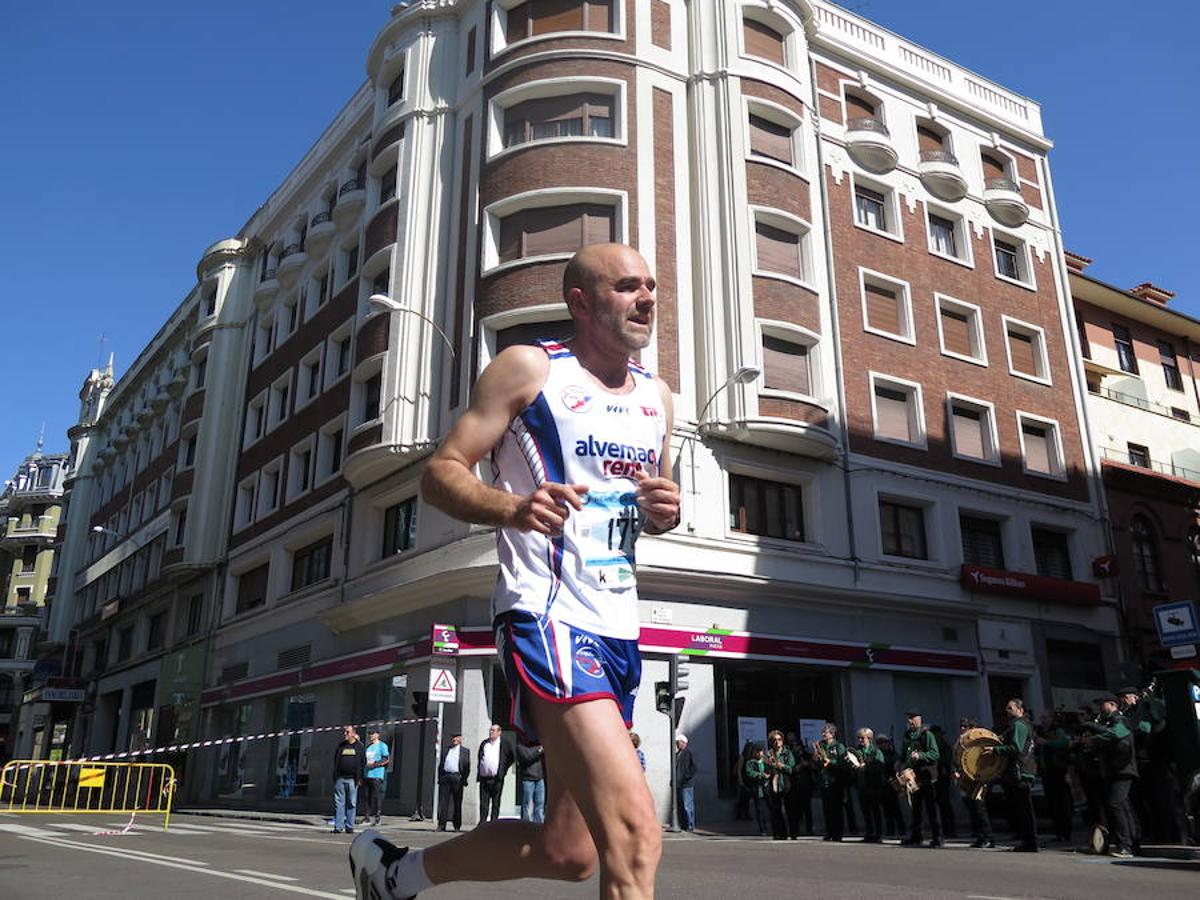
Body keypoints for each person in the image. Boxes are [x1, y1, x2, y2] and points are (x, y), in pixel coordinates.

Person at [350, 243, 679, 900]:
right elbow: (440, 473)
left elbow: (651, 506)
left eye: (650, 286)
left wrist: (666, 508)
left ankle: (393, 874)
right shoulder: (529, 370)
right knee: (638, 837)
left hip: (618, 625)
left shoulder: (657, 397)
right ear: (581, 303)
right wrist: (514, 506)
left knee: (569, 853)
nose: (646, 298)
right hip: (548, 617)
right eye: (627, 287)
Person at [1083, 693, 1138, 858]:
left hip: (1123, 770)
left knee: (1115, 805)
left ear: (1113, 705)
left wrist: (1093, 737)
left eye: (1103, 704)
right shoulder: (1109, 722)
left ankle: (1125, 846)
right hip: (1115, 771)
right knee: (1123, 807)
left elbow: (1114, 734)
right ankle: (1132, 844)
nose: (1100, 707)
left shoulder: (1120, 720)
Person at [986, 698, 1038, 852]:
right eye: (1006, 708)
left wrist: (995, 750)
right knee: (1022, 810)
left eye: (1010, 708)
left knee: (1025, 810)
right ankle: (1028, 841)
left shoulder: (1019, 725)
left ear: (1020, 710)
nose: (1006, 710)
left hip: (1020, 772)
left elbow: (1016, 748)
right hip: (1019, 772)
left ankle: (1031, 842)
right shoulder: (1017, 725)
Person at [899, 710, 941, 848]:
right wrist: (900, 763)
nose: (910, 721)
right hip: (913, 776)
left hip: (926, 776)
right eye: (908, 719)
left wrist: (921, 755)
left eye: (912, 718)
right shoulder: (907, 736)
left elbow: (935, 754)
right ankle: (916, 836)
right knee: (915, 808)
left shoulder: (927, 734)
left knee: (931, 808)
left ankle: (937, 837)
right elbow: (904, 754)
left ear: (919, 719)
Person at [956, 718, 994, 849]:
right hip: (967, 780)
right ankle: (979, 836)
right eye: (961, 726)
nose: (962, 729)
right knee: (972, 809)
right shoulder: (961, 743)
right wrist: (957, 771)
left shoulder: (978, 741)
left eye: (965, 726)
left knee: (980, 809)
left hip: (979, 779)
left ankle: (988, 837)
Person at [1035, 710, 1072, 842]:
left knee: (1061, 802)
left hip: (1057, 770)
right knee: (1052, 803)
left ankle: (1065, 832)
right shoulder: (1040, 731)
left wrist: (1046, 743)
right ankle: (1058, 831)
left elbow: (1063, 743)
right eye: (1041, 718)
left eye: (1045, 717)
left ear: (1051, 718)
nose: (1042, 720)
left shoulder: (1058, 731)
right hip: (1046, 772)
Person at [814, 723, 848, 841]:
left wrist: (830, 761)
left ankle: (838, 833)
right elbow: (816, 764)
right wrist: (817, 759)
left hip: (836, 781)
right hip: (824, 780)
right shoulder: (821, 745)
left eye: (826, 732)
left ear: (832, 734)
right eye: (823, 732)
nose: (823, 734)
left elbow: (843, 763)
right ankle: (830, 831)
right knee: (827, 808)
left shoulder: (839, 746)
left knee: (836, 808)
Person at [477, 723, 515, 823]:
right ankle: (482, 824)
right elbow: (480, 757)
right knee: (483, 803)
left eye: (494, 730)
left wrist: (503, 770)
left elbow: (511, 758)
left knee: (495, 802)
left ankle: (494, 823)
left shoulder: (505, 744)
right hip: (484, 778)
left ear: (499, 732)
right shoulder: (484, 743)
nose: (491, 732)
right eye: (490, 730)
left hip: (497, 779)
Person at [853, 728, 886, 843]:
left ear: (869, 739)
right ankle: (869, 832)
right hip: (862, 785)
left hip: (874, 785)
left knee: (875, 810)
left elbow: (880, 767)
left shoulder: (876, 751)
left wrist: (865, 767)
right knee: (865, 811)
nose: (860, 740)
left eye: (863, 738)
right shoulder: (857, 751)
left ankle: (878, 833)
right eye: (859, 738)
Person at [333, 725, 366, 834]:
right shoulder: (341, 746)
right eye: (345, 732)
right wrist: (335, 776)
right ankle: (338, 827)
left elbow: (363, 763)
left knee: (351, 803)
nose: (345, 734)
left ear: (353, 733)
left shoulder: (359, 746)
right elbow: (336, 760)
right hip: (340, 779)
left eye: (347, 732)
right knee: (339, 803)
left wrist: (360, 778)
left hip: (353, 779)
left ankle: (349, 826)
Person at [762, 729, 795, 840]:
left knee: (789, 810)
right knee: (775, 810)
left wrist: (782, 766)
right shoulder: (770, 753)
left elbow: (792, 768)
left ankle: (792, 833)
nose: (777, 742)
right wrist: (768, 768)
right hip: (774, 784)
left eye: (779, 739)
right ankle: (778, 833)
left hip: (785, 783)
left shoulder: (787, 752)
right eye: (774, 740)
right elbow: (766, 770)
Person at [437, 733, 470, 832]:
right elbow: (441, 764)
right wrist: (440, 777)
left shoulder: (465, 751)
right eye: (453, 738)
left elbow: (467, 767)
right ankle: (442, 825)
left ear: (460, 739)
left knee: (457, 803)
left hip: (457, 778)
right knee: (443, 803)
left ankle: (457, 826)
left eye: (456, 738)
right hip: (446, 777)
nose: (454, 739)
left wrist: (464, 779)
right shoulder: (446, 750)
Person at [929, 725, 957, 839]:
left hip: (943, 777)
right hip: (934, 777)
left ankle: (950, 829)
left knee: (945, 804)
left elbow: (946, 760)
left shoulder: (945, 746)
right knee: (938, 805)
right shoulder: (932, 746)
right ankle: (942, 829)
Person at [877, 734, 904, 837]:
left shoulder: (892, 753)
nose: (881, 745)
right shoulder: (879, 753)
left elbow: (895, 764)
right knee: (886, 809)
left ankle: (901, 828)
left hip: (892, 783)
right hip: (883, 784)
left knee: (895, 808)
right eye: (879, 743)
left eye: (883, 742)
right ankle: (890, 829)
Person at [787, 734, 814, 837]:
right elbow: (791, 768)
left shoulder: (806, 754)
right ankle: (796, 829)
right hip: (795, 784)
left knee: (807, 808)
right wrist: (798, 767)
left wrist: (807, 764)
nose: (795, 748)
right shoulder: (791, 756)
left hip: (806, 785)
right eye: (793, 746)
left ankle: (809, 828)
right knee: (796, 809)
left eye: (797, 745)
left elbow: (812, 766)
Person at [363, 727, 391, 828]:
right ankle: (367, 816)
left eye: (373, 733)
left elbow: (386, 759)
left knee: (376, 796)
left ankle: (377, 816)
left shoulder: (382, 746)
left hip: (377, 774)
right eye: (370, 733)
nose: (371, 735)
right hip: (367, 775)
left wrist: (375, 764)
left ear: (377, 734)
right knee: (367, 796)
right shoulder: (369, 747)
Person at [743, 743, 770, 836]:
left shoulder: (766, 761)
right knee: (760, 810)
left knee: (772, 808)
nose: (759, 753)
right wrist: (760, 775)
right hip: (758, 789)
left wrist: (768, 775)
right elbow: (749, 773)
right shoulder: (750, 762)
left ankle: (775, 827)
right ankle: (763, 829)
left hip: (768, 788)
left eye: (760, 751)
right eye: (757, 751)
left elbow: (771, 770)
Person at [517, 741, 546, 823]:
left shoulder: (538, 744)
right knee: (527, 804)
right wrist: (539, 750)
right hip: (528, 779)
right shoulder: (520, 746)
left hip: (540, 778)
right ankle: (526, 824)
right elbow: (528, 757)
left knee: (540, 804)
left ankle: (539, 824)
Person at [675, 733, 698, 831]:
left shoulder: (688, 753)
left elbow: (694, 768)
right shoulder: (677, 754)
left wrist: (686, 777)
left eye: (678, 742)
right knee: (682, 805)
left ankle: (690, 824)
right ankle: (684, 824)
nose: (677, 744)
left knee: (687, 805)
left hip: (686, 784)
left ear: (684, 743)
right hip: (680, 783)